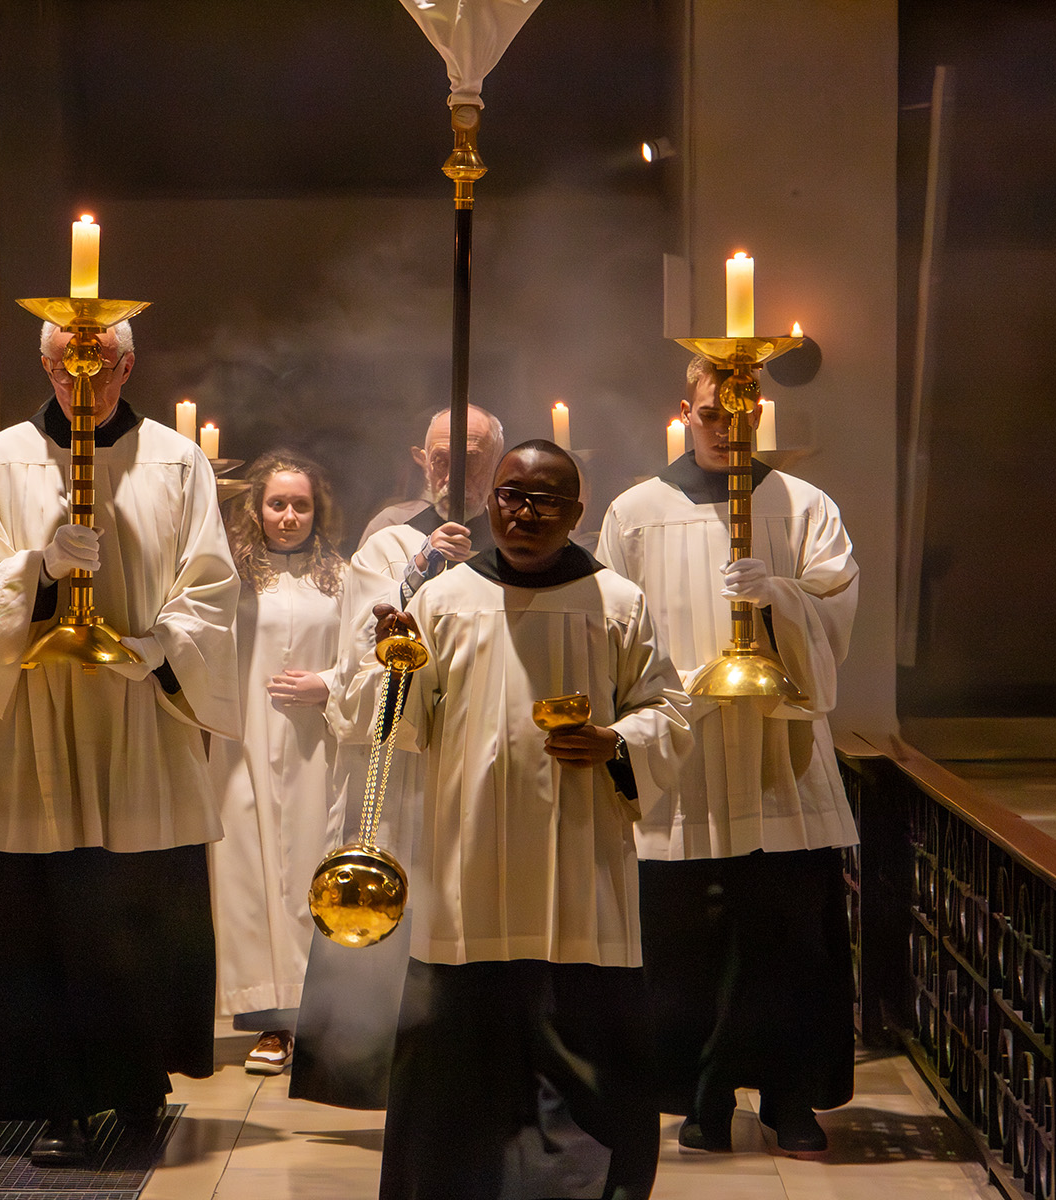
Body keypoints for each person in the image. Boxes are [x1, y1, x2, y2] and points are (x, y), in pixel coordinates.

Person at [351, 440, 693, 1200]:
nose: (524, 513)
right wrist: (393, 663)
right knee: (455, 1078)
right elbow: (395, 729)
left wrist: (616, 741)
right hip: (465, 877)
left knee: (582, 1063)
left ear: (576, 514)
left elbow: (668, 713)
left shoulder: (617, 602)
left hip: (581, 877)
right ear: (491, 500)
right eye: (510, 495)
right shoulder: (443, 601)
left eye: (545, 500)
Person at [0, 315, 239, 1164]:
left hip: (138, 715)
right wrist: (34, 568)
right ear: (41, 365)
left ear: (128, 365)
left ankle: (140, 1091)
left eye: (99, 364)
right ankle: (58, 1104)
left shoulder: (176, 463)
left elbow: (212, 588)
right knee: (43, 914)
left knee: (136, 910)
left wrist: (149, 652)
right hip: (36, 712)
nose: (82, 382)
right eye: (65, 365)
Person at [596, 357, 861, 1154]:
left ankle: (792, 1100)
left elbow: (836, 603)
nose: (726, 429)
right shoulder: (637, 510)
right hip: (684, 760)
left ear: (761, 413)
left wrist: (780, 596)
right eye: (713, 414)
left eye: (740, 415)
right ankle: (701, 1100)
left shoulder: (803, 504)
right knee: (689, 949)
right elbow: (611, 627)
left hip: (780, 758)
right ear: (686, 411)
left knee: (789, 940)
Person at [288, 402, 503, 1111]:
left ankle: (471, 1067)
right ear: (422, 458)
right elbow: (358, 646)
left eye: (472, 455)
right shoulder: (388, 539)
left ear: (495, 460)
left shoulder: (517, 534)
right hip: (402, 760)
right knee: (395, 891)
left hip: (482, 750)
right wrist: (418, 572)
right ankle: (367, 1068)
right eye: (443, 455)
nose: (456, 469)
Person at [209, 450, 356, 1075]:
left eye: (300, 505)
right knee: (247, 876)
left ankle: (313, 1018)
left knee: (308, 872)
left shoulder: (342, 578)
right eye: (277, 504)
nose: (290, 517)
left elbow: (367, 654)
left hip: (316, 747)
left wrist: (326, 681)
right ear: (256, 510)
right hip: (243, 744)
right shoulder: (230, 577)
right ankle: (266, 1020)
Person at [355, 404, 503, 601]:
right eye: (440, 461)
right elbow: (366, 622)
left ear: (497, 464)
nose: (453, 478)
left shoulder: (515, 548)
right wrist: (423, 565)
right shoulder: (388, 544)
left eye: (471, 462)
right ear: (425, 463)